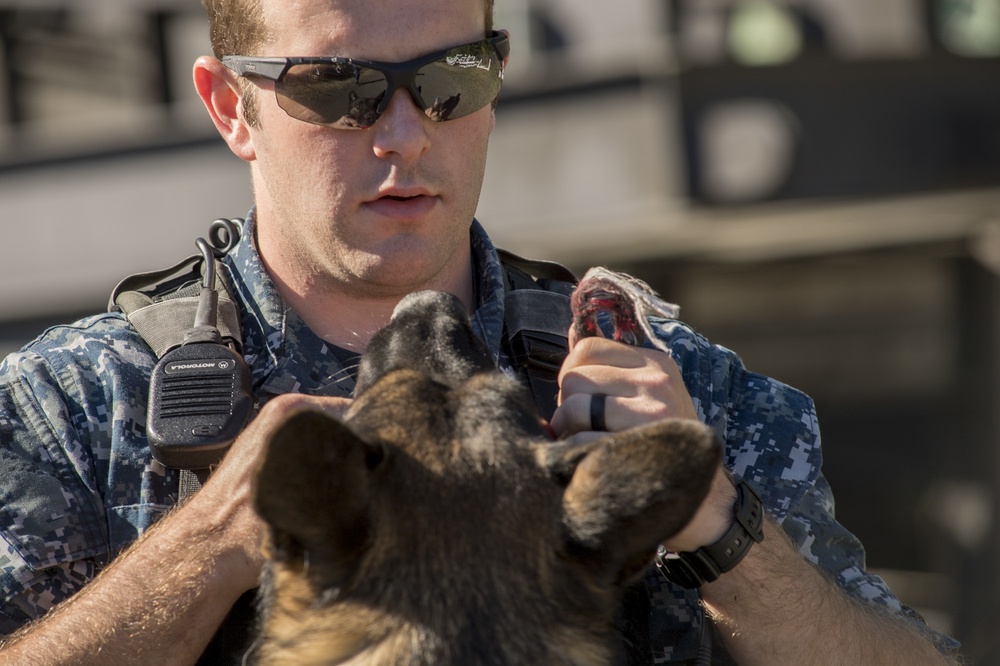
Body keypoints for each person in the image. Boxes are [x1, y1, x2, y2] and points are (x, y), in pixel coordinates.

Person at [0, 0, 962, 663]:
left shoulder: (683, 394)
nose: (407, 135)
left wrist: (716, 527)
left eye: (452, 79)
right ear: (230, 107)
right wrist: (206, 546)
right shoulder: (73, 416)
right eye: (337, 90)